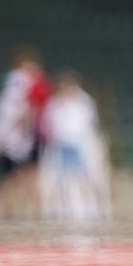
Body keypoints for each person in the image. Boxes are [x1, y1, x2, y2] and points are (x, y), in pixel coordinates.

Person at [38, 72, 108, 223]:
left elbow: (88, 126)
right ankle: (61, 212)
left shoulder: (84, 102)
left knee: (86, 179)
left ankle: (93, 210)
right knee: (61, 182)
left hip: (81, 145)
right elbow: (48, 126)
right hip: (60, 146)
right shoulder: (54, 104)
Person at [0, 46, 47, 220]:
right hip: (14, 138)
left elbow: (29, 110)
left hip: (22, 138)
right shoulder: (16, 84)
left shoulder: (29, 83)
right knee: (14, 178)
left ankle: (33, 213)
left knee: (24, 177)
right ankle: (11, 213)